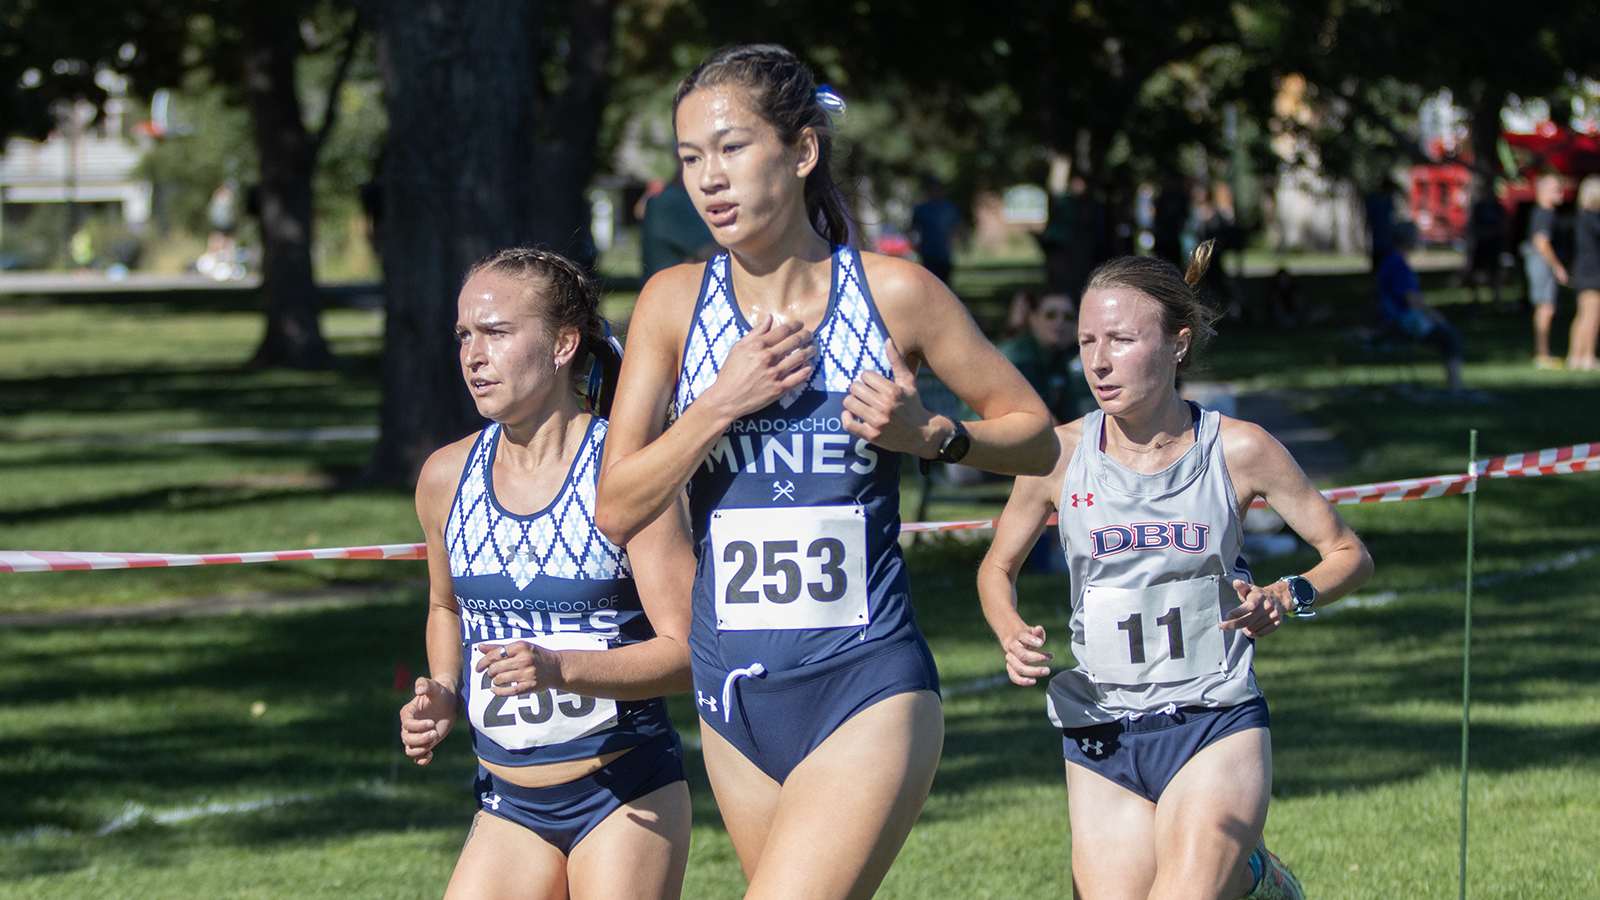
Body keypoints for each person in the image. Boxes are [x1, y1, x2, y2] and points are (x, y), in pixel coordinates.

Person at [594, 43, 1056, 899]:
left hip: (865, 681)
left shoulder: (894, 294)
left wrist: (935, 436)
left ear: (802, 151)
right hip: (732, 695)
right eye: (690, 158)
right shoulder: (670, 303)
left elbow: (1037, 438)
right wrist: (717, 405)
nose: (709, 179)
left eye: (732, 148)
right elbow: (616, 509)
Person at [977, 243, 1374, 900]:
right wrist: (1008, 626)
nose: (1099, 362)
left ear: (1178, 345)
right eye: (1086, 341)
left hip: (1213, 719)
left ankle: (1251, 877)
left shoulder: (1240, 448)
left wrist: (1289, 594)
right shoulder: (1057, 454)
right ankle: (1253, 879)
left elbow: (1350, 554)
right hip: (1101, 731)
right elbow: (996, 568)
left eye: (1123, 340)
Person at [399, 248, 696, 900]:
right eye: (464, 336)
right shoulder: (445, 479)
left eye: (498, 333)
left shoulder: (628, 476)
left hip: (624, 792)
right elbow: (447, 607)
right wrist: (445, 690)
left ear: (564, 344)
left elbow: (692, 655)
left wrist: (561, 668)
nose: (474, 355)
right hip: (507, 802)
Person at [1376, 221, 1468, 397]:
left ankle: (1455, 387)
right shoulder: (1398, 264)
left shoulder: (1391, 260)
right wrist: (1435, 316)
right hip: (1399, 321)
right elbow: (1412, 299)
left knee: (1446, 334)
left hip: (1393, 319)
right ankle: (1456, 388)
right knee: (1450, 335)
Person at [1000, 290, 1081, 424]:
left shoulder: (1058, 357)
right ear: (1032, 318)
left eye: (1068, 317)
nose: (1060, 322)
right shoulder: (1018, 358)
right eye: (1050, 315)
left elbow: (1070, 416)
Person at [1522, 174, 1569, 368]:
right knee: (1545, 306)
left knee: (1545, 306)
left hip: (1539, 261)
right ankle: (1542, 354)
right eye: (1556, 188)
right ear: (1543, 191)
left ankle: (1543, 352)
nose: (1560, 192)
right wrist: (1557, 266)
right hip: (1542, 262)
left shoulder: (1543, 212)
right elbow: (1541, 242)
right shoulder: (1545, 213)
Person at [642, 174, 720, 279]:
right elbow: (716, 255)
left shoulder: (680, 199)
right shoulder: (671, 202)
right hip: (675, 292)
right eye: (692, 159)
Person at [1568, 175, 1600, 372]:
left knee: (1583, 315)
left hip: (1584, 269)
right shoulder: (1590, 216)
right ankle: (1587, 357)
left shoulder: (1582, 216)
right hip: (1592, 270)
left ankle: (1575, 357)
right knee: (1592, 315)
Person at [909, 174, 966, 284]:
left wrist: (963, 243)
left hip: (944, 254)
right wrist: (915, 246)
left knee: (944, 284)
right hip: (928, 254)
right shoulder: (921, 210)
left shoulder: (948, 208)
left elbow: (958, 227)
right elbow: (912, 230)